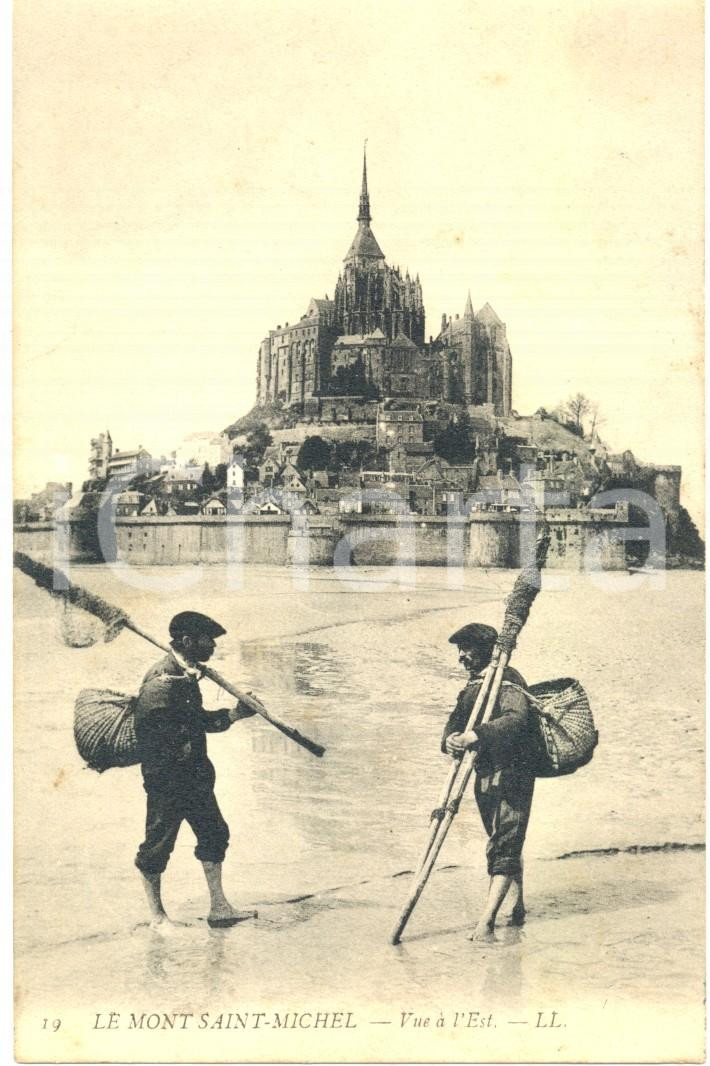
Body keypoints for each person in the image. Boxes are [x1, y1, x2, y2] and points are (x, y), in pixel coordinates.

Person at [133, 610, 259, 930]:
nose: (213, 646)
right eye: (208, 641)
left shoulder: (187, 674)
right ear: (188, 642)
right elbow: (150, 733)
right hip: (167, 780)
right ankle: (157, 917)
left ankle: (219, 907)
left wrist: (235, 714)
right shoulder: (162, 681)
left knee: (215, 834)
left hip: (195, 777)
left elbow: (198, 721)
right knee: (157, 846)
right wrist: (178, 751)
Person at [441, 622, 537, 941]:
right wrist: (451, 740)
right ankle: (517, 906)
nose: (462, 657)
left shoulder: (508, 682)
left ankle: (486, 923)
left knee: (506, 841)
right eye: (460, 651)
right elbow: (454, 724)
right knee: (501, 838)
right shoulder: (473, 686)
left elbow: (515, 720)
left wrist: (476, 735)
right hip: (484, 773)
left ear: (485, 651)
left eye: (467, 650)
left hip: (513, 772)